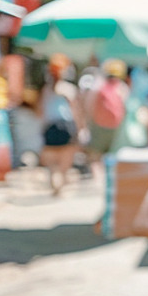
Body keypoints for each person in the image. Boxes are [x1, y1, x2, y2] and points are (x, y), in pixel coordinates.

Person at [39, 54, 85, 196]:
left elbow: (41, 110)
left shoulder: (46, 89)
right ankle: (61, 181)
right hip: (66, 126)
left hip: (50, 126)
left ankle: (55, 179)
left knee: (52, 158)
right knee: (66, 157)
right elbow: (76, 111)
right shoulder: (68, 89)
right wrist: (81, 128)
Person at [85, 58, 130, 161]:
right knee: (111, 156)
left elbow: (89, 105)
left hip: (98, 124)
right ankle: (108, 176)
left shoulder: (99, 85)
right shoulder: (122, 87)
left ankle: (98, 176)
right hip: (115, 126)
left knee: (94, 157)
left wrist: (88, 123)